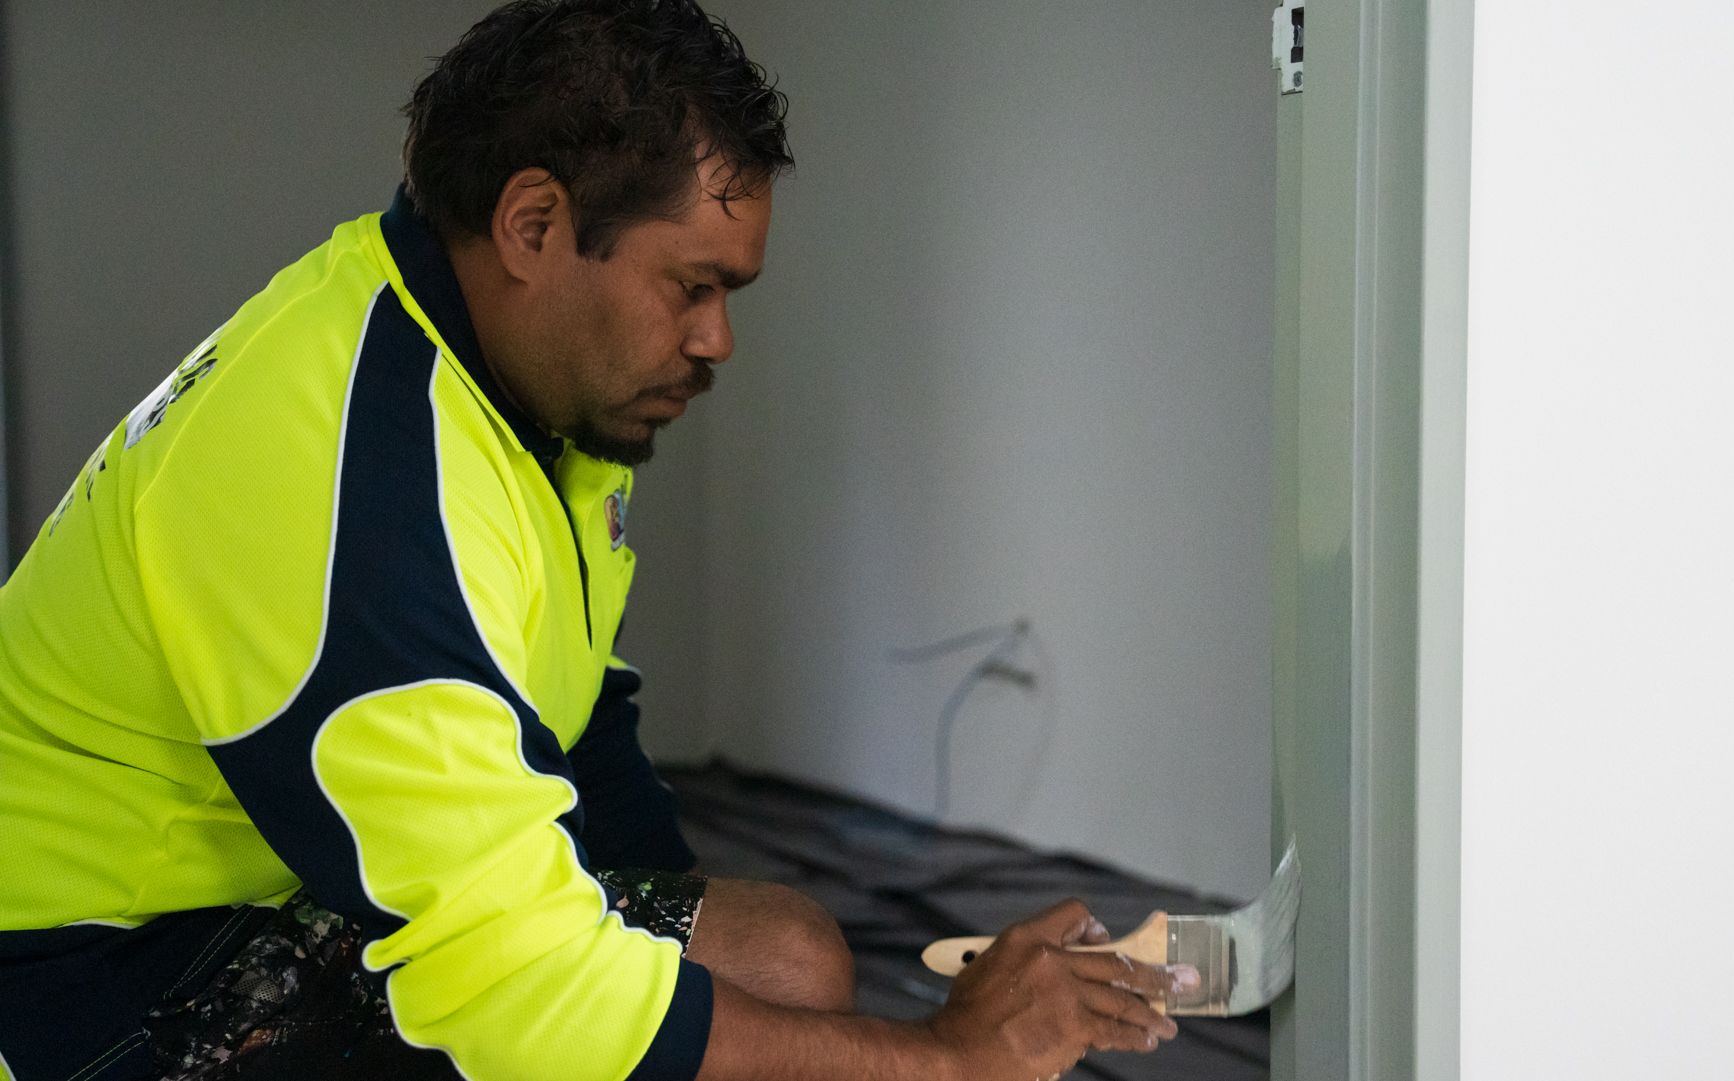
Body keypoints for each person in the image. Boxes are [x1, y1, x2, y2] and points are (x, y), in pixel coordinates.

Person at [0, 2, 1193, 1079]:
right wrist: (943, 1061)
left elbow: (577, 721)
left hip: (253, 902)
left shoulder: (511, 395)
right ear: (533, 224)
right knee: (692, 1005)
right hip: (87, 999)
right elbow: (511, 988)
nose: (719, 339)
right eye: (691, 287)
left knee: (775, 959)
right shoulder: (355, 473)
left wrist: (692, 966)